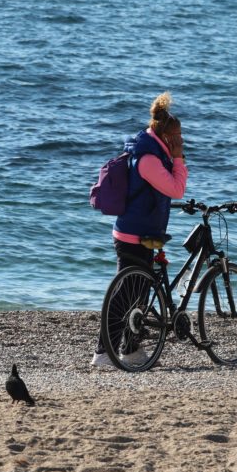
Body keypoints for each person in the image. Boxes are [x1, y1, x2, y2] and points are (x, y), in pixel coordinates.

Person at [92, 92, 188, 367]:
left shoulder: (153, 150)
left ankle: (130, 350)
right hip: (133, 235)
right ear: (167, 136)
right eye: (178, 136)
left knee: (139, 296)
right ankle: (102, 353)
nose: (181, 141)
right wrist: (179, 159)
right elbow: (176, 189)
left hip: (144, 232)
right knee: (124, 297)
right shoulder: (148, 159)